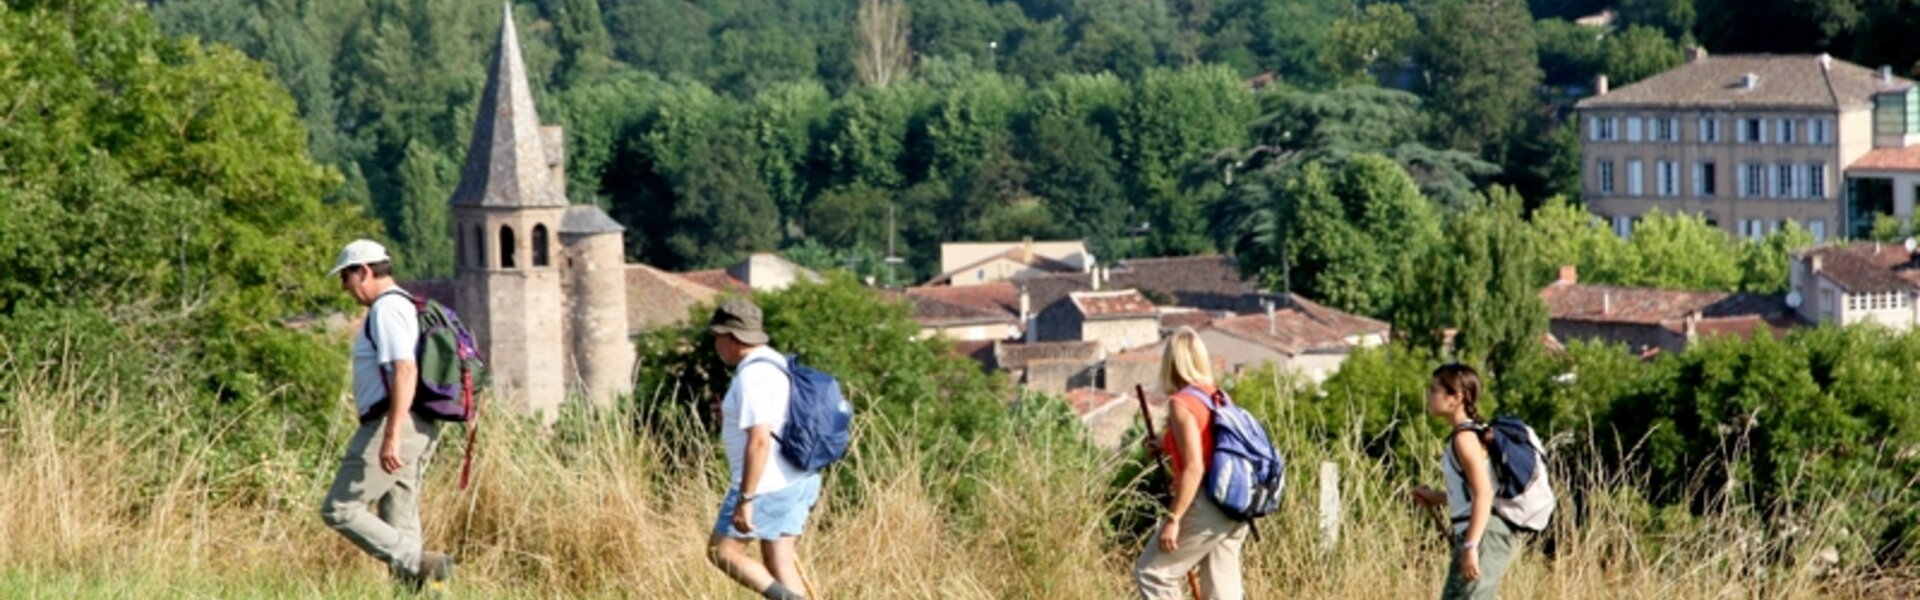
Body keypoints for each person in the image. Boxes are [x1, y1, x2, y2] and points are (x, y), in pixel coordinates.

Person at [320, 239, 453, 594]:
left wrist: (391, 435)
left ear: (364, 271)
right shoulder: (402, 305)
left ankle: (422, 562)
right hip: (412, 423)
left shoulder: (386, 309)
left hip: (393, 424)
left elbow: (405, 369)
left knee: (340, 509)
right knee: (399, 519)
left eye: (346, 278)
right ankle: (417, 588)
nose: (344, 288)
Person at [706, 298, 822, 600]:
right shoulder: (773, 360)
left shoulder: (752, 376)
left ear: (732, 337)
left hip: (767, 483)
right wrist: (729, 415)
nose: (715, 345)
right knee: (779, 561)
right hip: (798, 476)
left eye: (717, 337)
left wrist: (746, 498)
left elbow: (760, 440)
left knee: (722, 552)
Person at [1135, 327, 1248, 600]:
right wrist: (1167, 445)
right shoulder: (1218, 397)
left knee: (1153, 573)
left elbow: (1195, 466)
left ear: (1171, 362)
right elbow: (1211, 446)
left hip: (1207, 502)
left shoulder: (1181, 403)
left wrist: (1173, 519)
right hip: (1236, 506)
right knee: (1221, 591)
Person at [1411, 363, 1516, 600]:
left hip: (1483, 535)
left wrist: (1471, 547)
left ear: (1455, 397)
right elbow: (1469, 495)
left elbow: (1484, 494)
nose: (1428, 395)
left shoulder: (1465, 438)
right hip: (1475, 534)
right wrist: (1433, 498)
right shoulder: (1466, 435)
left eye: (1434, 390)